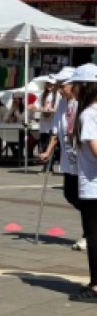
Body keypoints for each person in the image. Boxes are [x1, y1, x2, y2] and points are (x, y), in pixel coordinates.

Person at [40, 68, 82, 250]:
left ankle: (89, 233)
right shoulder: (63, 104)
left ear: (73, 84)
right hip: (68, 157)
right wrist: (48, 151)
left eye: (62, 84)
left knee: (87, 200)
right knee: (70, 194)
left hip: (84, 160)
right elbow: (56, 131)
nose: (58, 88)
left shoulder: (84, 103)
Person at [67, 64, 97, 302]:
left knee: (94, 236)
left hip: (93, 185)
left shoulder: (88, 114)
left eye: (75, 83)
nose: (72, 88)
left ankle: (96, 286)